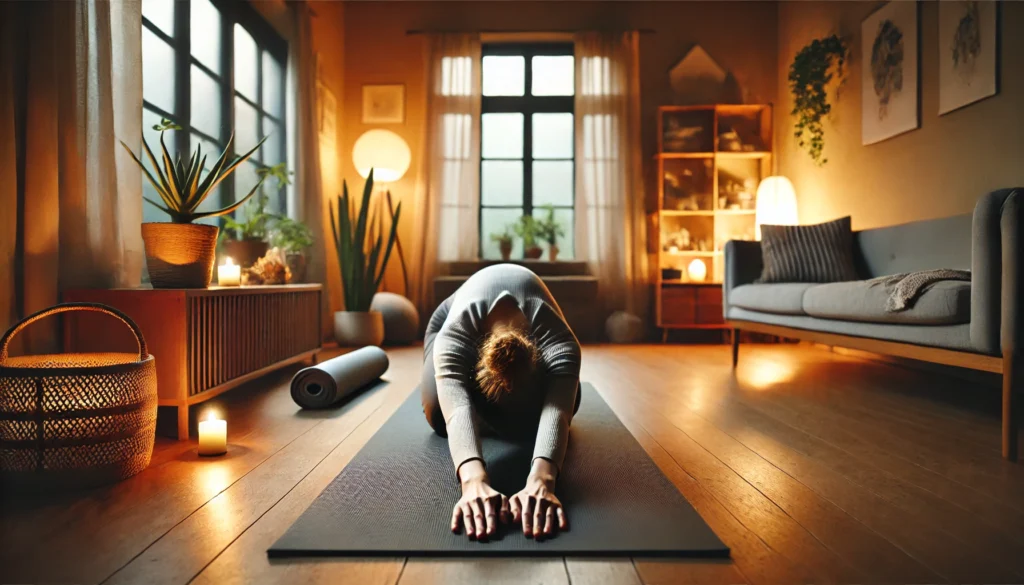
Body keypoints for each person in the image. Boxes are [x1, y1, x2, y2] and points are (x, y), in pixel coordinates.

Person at [421, 263, 581, 541]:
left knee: (571, 400)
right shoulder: (454, 337)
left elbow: (557, 411)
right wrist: (473, 482)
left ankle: (497, 416)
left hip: (534, 341)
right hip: (446, 318)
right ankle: (485, 408)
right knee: (438, 413)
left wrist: (542, 480)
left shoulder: (561, 342)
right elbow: (457, 410)